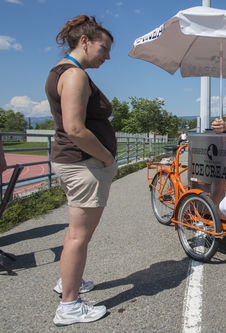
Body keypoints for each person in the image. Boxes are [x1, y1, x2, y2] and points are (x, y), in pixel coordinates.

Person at [45, 15, 117, 326]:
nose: (107, 56)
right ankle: (70, 305)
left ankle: (68, 282)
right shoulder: (74, 75)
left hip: (75, 162)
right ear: (85, 41)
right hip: (83, 163)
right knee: (79, 236)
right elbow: (75, 128)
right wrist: (106, 159)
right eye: (104, 48)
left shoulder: (61, 71)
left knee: (76, 233)